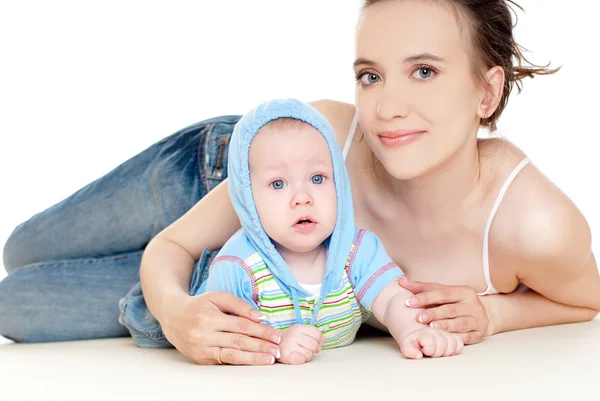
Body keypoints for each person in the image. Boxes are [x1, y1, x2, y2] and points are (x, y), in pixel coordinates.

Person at [1, 0, 599, 366]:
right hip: (215, 179)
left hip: (255, 279)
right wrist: (177, 314)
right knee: (20, 248)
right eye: (371, 75)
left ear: (486, 90)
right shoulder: (337, 131)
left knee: (15, 307)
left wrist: (493, 316)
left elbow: (585, 298)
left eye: (423, 71)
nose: (387, 106)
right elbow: (176, 246)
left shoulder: (531, 220)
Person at [203, 98, 463, 364]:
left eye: (317, 179)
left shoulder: (355, 250)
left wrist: (413, 330)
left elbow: (392, 299)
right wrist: (276, 343)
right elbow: (220, 336)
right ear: (247, 197)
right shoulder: (237, 268)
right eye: (278, 184)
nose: (302, 198)